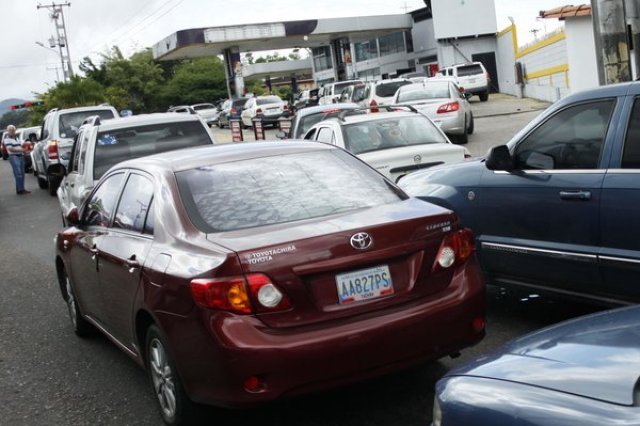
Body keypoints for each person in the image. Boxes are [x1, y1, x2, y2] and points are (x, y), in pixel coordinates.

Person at [4, 125, 30, 195]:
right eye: (10, 130)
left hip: (20, 156)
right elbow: (10, 149)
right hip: (14, 156)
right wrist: (22, 149)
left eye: (13, 129)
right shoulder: (7, 139)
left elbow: (21, 145)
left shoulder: (17, 138)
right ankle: (20, 190)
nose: (12, 131)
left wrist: (25, 149)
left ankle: (21, 188)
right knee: (18, 174)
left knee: (22, 173)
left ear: (15, 131)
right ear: (8, 131)